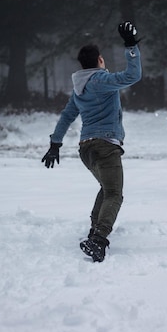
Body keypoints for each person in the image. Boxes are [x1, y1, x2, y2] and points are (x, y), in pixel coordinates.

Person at [41, 21, 142, 262]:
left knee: (106, 189)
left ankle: (94, 231)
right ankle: (98, 240)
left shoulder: (80, 88)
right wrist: (130, 46)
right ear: (99, 61)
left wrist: (56, 143)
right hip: (105, 145)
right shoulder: (100, 80)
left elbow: (67, 116)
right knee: (114, 194)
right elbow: (133, 75)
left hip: (86, 149)